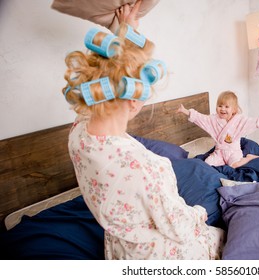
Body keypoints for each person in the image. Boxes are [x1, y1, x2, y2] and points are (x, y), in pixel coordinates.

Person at [63, 1, 224, 260]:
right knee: (226, 235)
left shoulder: (79, 133)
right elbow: (180, 228)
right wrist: (199, 213)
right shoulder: (145, 166)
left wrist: (126, 30)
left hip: (121, 251)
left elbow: (109, 69)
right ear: (135, 101)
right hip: (159, 256)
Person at [177, 90, 259, 168]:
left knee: (235, 165)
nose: (222, 109)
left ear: (234, 109)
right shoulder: (213, 120)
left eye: (227, 107)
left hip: (233, 151)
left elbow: (254, 122)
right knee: (207, 165)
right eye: (220, 105)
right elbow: (200, 118)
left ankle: (248, 158)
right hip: (219, 151)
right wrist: (185, 111)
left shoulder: (239, 121)